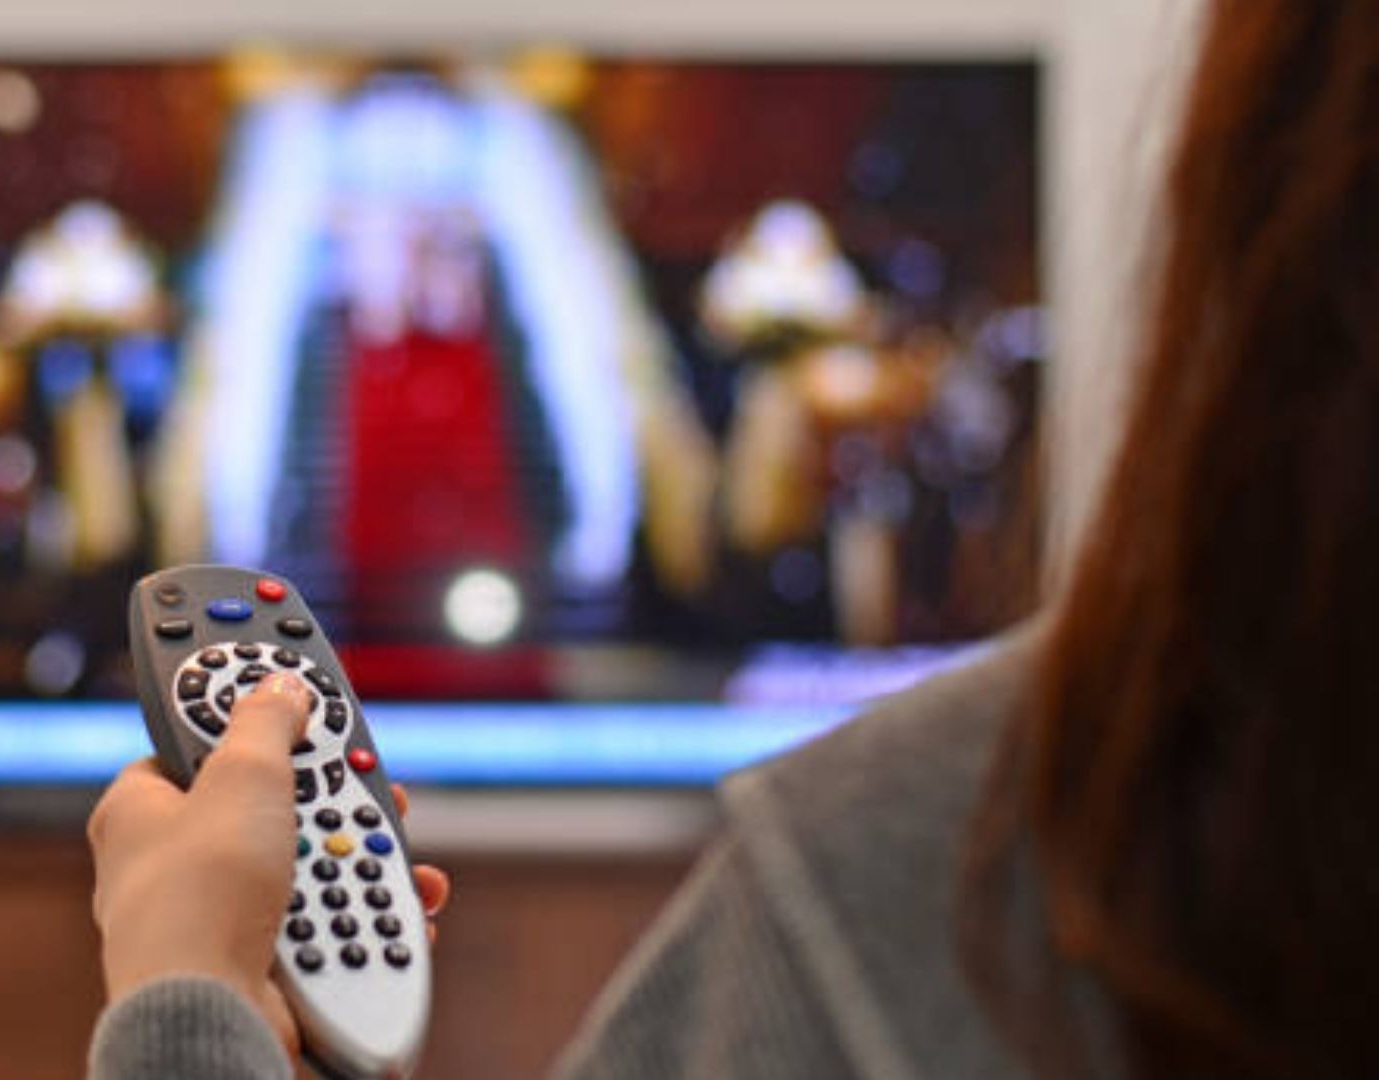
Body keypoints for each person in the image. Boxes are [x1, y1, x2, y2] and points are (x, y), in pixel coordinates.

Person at [82, 4, 1379, 1076]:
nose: (415, 242)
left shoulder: (929, 853)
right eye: (377, 218)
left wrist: (188, 1005)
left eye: (445, 221)